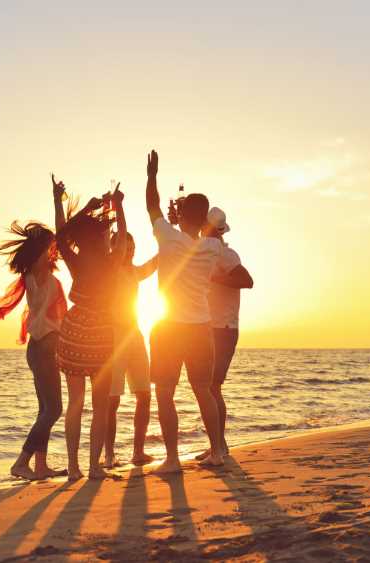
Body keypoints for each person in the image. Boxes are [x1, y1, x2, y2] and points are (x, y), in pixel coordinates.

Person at [144, 149, 227, 473]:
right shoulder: (213, 247)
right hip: (201, 326)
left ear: (181, 215)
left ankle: (173, 459)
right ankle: (218, 450)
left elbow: (151, 206)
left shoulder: (168, 237)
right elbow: (216, 232)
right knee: (203, 390)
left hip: (169, 326)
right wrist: (199, 220)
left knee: (165, 392)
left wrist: (152, 175)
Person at [56, 184, 128, 480]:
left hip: (73, 328)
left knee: (75, 402)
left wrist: (79, 207)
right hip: (100, 330)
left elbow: (61, 235)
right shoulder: (112, 261)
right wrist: (119, 205)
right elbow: (122, 234)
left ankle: (73, 468)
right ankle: (94, 466)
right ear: (101, 237)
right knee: (100, 406)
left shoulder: (76, 259)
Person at [0, 215, 67, 481]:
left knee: (44, 410)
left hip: (38, 347)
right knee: (54, 410)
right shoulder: (41, 274)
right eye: (49, 247)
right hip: (45, 346)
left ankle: (41, 466)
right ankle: (21, 462)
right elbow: (60, 241)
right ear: (42, 249)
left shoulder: (32, 274)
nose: (53, 251)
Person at [197, 207, 254, 461]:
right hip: (211, 327)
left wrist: (216, 279)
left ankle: (219, 447)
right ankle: (218, 445)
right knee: (209, 386)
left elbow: (247, 280)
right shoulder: (209, 252)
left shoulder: (227, 255)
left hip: (225, 328)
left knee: (212, 386)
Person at [104, 232, 157, 468]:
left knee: (144, 394)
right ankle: (108, 455)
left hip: (134, 335)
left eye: (132, 246)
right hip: (113, 337)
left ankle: (138, 451)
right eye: (125, 246)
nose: (130, 250)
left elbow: (155, 263)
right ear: (114, 248)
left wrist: (169, 240)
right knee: (112, 400)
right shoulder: (109, 272)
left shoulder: (135, 272)